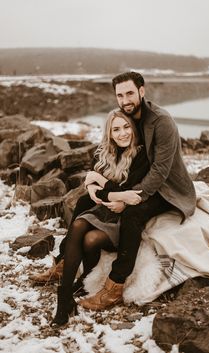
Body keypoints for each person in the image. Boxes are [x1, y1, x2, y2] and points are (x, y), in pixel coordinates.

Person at [78, 71, 196, 311]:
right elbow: (106, 153)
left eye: (130, 93)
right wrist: (94, 184)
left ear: (142, 91)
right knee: (82, 202)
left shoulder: (162, 121)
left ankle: (115, 286)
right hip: (135, 183)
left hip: (167, 189)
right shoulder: (126, 117)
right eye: (120, 95)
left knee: (132, 214)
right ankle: (64, 264)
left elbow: (160, 171)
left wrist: (129, 198)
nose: (125, 99)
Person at [51, 109, 150, 326]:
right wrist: (94, 183)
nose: (122, 133)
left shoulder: (141, 155)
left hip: (122, 217)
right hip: (102, 210)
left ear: (133, 129)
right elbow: (97, 190)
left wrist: (99, 180)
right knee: (78, 225)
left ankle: (77, 284)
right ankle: (65, 297)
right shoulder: (104, 152)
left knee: (90, 239)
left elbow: (129, 193)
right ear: (110, 133)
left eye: (126, 127)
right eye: (116, 129)